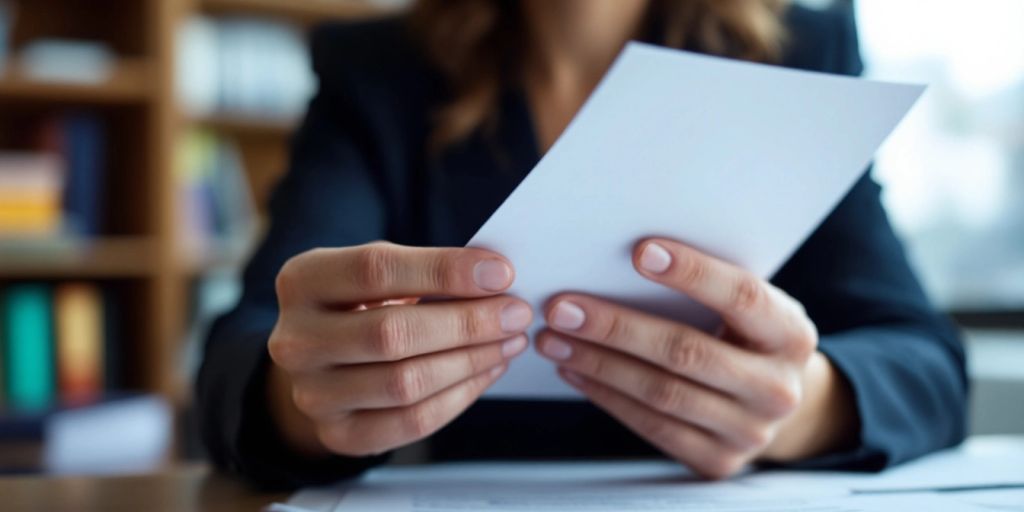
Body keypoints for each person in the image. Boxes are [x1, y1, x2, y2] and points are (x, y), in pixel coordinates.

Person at [197, 0, 967, 490]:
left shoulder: (803, 52)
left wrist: (797, 407)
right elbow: (243, 352)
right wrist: (305, 402)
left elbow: (927, 362)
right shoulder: (378, 74)